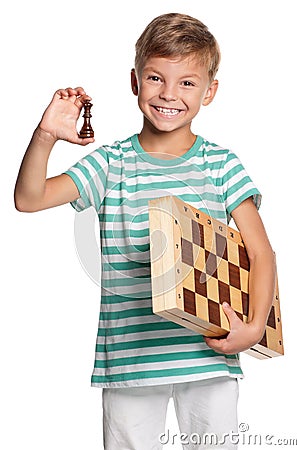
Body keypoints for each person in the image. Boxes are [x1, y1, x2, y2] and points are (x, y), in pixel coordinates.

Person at [14, 12, 276, 450]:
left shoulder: (221, 165)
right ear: (135, 82)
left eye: (187, 82)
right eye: (156, 78)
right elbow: (30, 198)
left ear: (209, 91)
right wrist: (46, 136)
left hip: (208, 353)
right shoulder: (111, 163)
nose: (169, 94)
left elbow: (262, 253)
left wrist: (252, 327)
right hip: (132, 359)